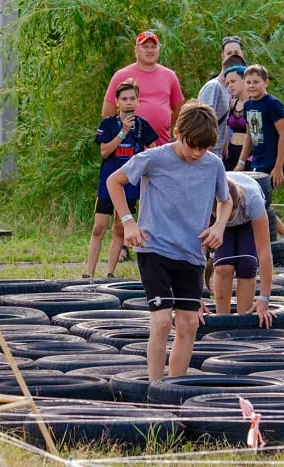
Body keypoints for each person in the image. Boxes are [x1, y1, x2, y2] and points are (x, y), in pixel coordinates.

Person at [106, 100, 232, 382]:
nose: (197, 153)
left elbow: (226, 201)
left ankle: (174, 388)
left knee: (188, 324)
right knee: (162, 321)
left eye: (204, 147)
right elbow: (114, 182)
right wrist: (128, 222)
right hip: (155, 249)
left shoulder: (213, 165)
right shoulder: (155, 158)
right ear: (177, 132)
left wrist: (219, 226)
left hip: (191, 254)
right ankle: (155, 387)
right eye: (192, 146)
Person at [84, 79, 158, 278]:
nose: (128, 102)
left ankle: (109, 273)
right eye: (124, 99)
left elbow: (153, 151)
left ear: (137, 101)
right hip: (108, 181)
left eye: (132, 98)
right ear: (117, 102)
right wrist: (123, 132)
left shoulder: (142, 125)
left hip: (130, 184)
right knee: (99, 226)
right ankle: (87, 273)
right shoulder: (108, 123)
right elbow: (104, 151)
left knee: (119, 228)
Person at [233, 64, 284, 251]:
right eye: (248, 82)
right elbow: (249, 135)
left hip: (271, 162)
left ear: (266, 82)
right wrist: (241, 162)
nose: (252, 86)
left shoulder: (273, 104)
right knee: (257, 202)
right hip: (256, 161)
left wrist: (278, 166)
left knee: (259, 202)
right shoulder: (248, 105)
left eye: (256, 82)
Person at [205, 173, 275, 329]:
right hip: (217, 225)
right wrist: (194, 300)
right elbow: (192, 254)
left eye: (230, 216)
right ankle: (220, 323)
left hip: (247, 220)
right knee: (224, 267)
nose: (229, 220)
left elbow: (264, 253)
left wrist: (264, 299)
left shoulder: (253, 201)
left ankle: (243, 323)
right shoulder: (203, 201)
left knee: (247, 263)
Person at [102, 31, 184, 146]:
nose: (150, 50)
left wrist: (164, 122)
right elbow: (107, 113)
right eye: (145, 47)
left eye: (153, 47)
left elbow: (178, 108)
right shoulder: (121, 76)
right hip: (129, 150)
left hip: (161, 147)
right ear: (136, 50)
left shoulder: (170, 76)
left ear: (158, 50)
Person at [197, 54, 247, 158]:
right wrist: (208, 148)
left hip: (218, 151)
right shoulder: (213, 86)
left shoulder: (226, 89)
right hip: (208, 150)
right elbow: (206, 119)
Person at [223, 65, 250, 171]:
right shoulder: (232, 103)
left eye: (233, 81)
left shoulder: (256, 103)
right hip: (232, 151)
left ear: (245, 80)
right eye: (228, 83)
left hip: (250, 153)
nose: (230, 86)